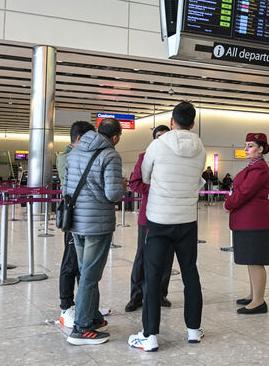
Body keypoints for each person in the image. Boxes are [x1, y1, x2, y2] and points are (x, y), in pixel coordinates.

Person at [128, 101, 206, 352]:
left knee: (152, 275)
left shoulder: (157, 145)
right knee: (190, 273)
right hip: (187, 221)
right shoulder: (201, 147)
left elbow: (146, 176)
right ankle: (193, 330)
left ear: (172, 122)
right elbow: (198, 180)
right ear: (192, 123)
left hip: (159, 220)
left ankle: (149, 335)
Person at [65, 118, 124, 345]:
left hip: (76, 221)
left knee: (86, 271)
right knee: (90, 275)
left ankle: (93, 316)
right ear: (116, 136)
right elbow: (113, 194)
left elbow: (66, 185)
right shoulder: (110, 155)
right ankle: (81, 328)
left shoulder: (75, 151)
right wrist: (122, 186)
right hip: (96, 224)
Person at [56, 121, 110, 328]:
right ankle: (66, 307)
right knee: (70, 263)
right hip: (76, 217)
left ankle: (86, 306)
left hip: (82, 217)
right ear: (80, 139)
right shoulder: (70, 156)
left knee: (83, 266)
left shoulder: (79, 155)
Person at [224, 133, 269, 315]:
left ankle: (259, 301)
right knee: (250, 259)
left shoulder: (259, 168)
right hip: (247, 220)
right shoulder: (253, 166)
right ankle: (254, 295)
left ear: (261, 149)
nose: (246, 149)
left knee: (255, 261)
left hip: (255, 221)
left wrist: (228, 204)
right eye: (245, 145)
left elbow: (245, 191)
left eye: (250, 145)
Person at [125, 125, 174, 313]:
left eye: (165, 136)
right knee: (142, 256)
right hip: (149, 215)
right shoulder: (144, 157)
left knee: (167, 256)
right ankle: (136, 296)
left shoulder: (175, 158)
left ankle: (160, 293)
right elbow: (135, 183)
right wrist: (156, 191)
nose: (161, 140)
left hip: (171, 215)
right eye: (158, 137)